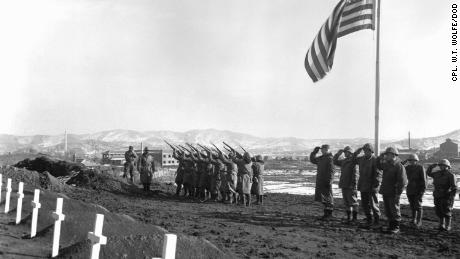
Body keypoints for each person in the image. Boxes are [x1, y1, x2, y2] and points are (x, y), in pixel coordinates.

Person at [377, 147, 407, 234]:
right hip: (386, 190)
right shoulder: (387, 164)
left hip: (394, 192)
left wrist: (398, 193)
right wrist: (380, 156)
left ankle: (396, 226)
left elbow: (402, 181)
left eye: (388, 154)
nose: (386, 156)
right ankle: (391, 226)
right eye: (386, 154)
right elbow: (378, 165)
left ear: (393, 155)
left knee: (394, 209)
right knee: (388, 209)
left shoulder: (399, 166)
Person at [353, 143, 382, 228]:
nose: (365, 152)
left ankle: (377, 221)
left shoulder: (375, 160)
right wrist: (357, 152)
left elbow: (379, 174)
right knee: (365, 204)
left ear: (371, 151)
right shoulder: (361, 159)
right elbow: (353, 159)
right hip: (363, 185)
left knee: (374, 204)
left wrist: (375, 185)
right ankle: (369, 219)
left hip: (372, 186)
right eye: (364, 150)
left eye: (367, 150)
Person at [426, 159, 457, 231]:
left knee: (446, 211)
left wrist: (452, 196)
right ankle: (441, 225)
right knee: (438, 210)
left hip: (446, 195)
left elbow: (454, 187)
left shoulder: (451, 175)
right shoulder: (437, 174)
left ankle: (447, 225)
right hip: (437, 194)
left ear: (448, 166)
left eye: (444, 165)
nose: (442, 167)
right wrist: (431, 166)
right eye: (440, 165)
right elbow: (428, 173)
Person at [333, 146, 359, 223]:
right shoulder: (344, 161)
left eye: (346, 152)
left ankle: (354, 218)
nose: (344, 153)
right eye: (344, 152)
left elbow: (355, 174)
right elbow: (335, 161)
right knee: (347, 202)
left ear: (350, 152)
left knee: (353, 202)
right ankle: (348, 218)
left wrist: (354, 184)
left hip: (351, 185)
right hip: (344, 184)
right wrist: (338, 154)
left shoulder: (354, 161)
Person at [310, 144, 335, 220]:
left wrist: (329, 181)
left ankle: (329, 214)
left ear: (328, 150)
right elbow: (313, 160)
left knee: (328, 198)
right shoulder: (321, 158)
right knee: (323, 198)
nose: (323, 151)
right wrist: (314, 152)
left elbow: (331, 171)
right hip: (320, 181)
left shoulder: (330, 159)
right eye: (322, 149)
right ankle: (326, 214)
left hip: (326, 182)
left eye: (324, 149)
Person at [402, 154, 426, 227]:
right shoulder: (407, 167)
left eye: (413, 160)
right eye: (410, 160)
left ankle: (419, 221)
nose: (411, 162)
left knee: (418, 206)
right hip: (410, 189)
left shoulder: (420, 167)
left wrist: (422, 191)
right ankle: (413, 220)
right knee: (412, 206)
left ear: (416, 160)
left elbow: (424, 180)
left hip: (418, 189)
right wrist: (405, 161)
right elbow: (399, 166)